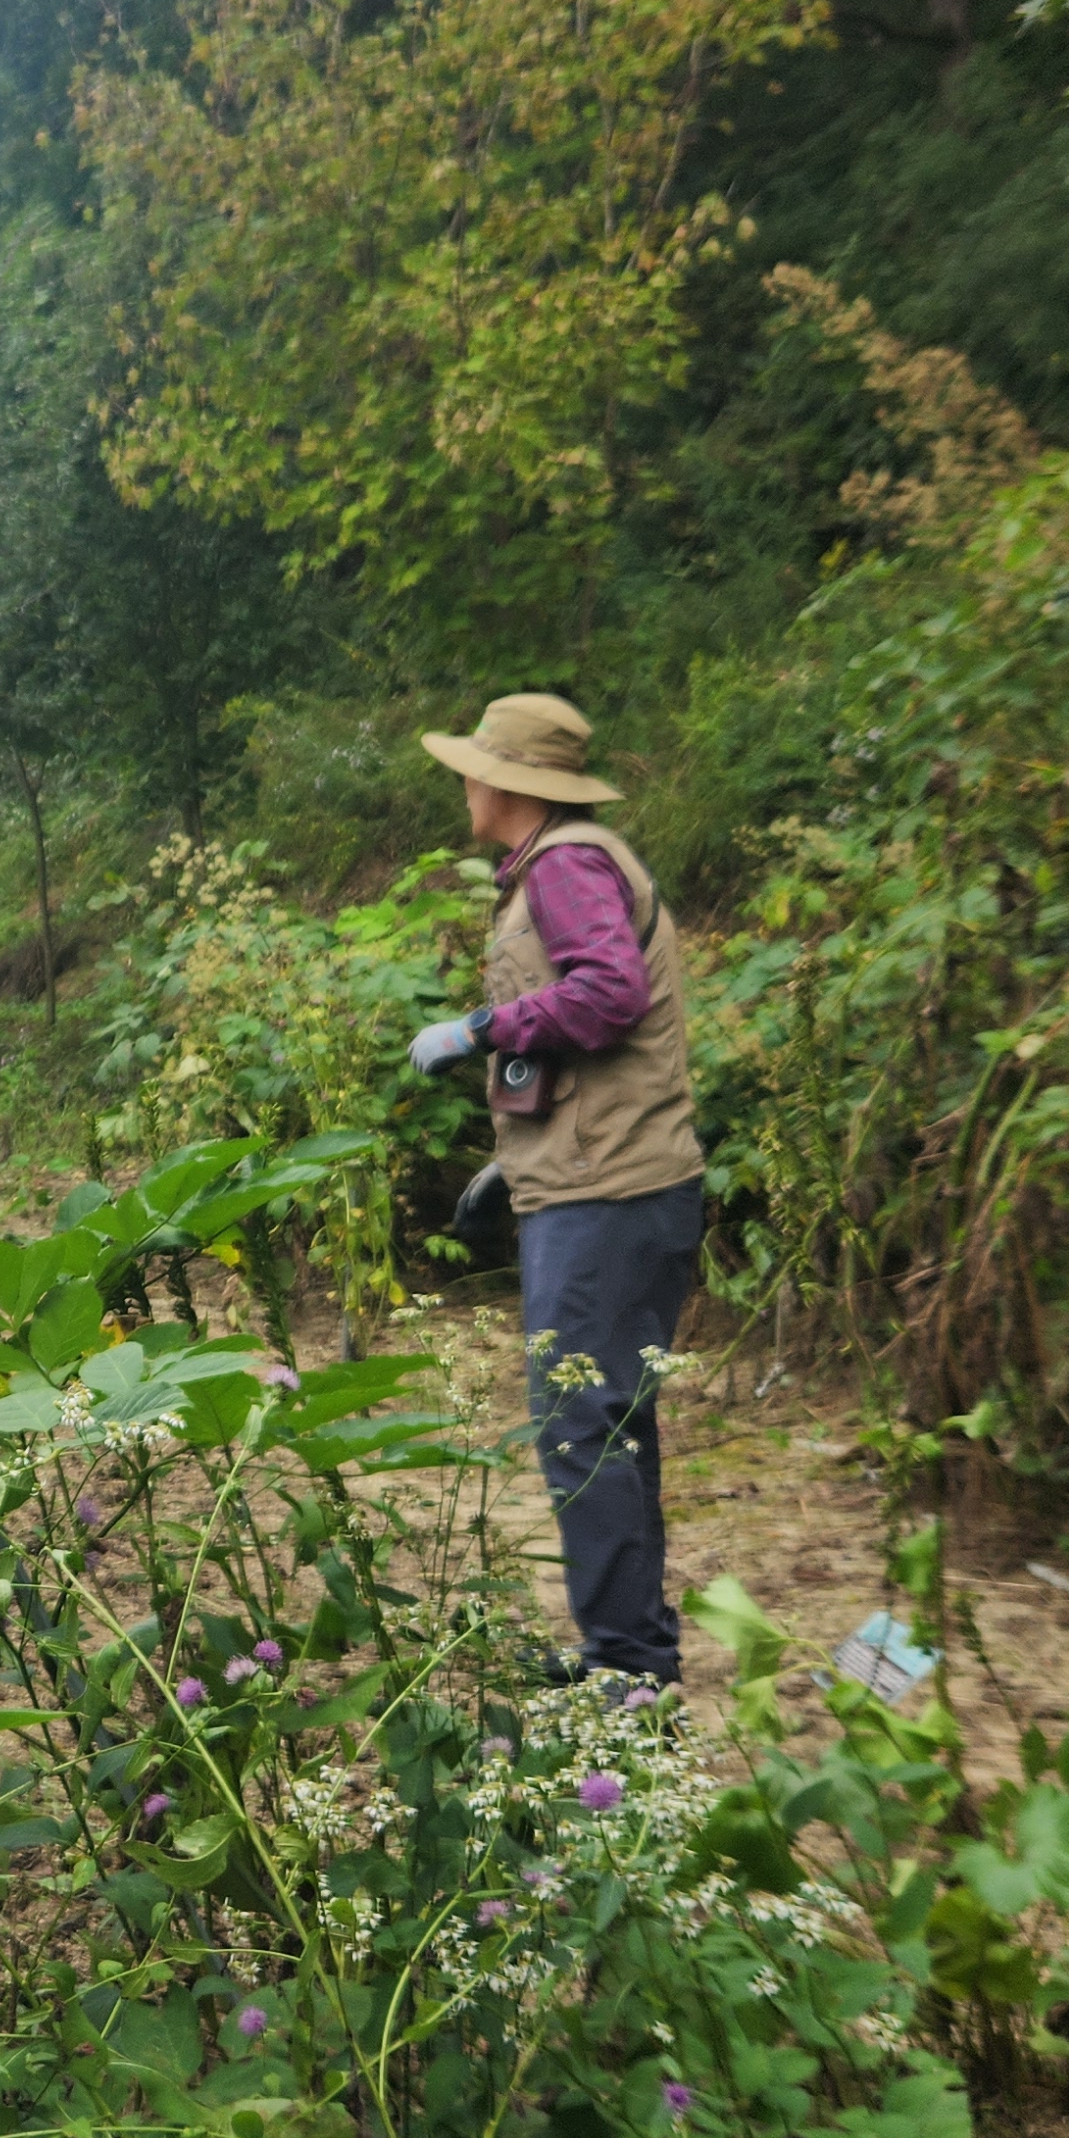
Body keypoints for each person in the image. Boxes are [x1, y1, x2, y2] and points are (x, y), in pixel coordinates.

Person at [409, 694, 706, 1686]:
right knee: (606, 1422)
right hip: (603, 1178)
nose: (465, 781)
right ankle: (630, 1656)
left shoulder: (567, 866)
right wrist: (520, 1157)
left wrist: (480, 1029)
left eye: (474, 767)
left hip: (608, 1192)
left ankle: (626, 1670)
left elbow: (609, 993)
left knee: (584, 1424)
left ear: (508, 783)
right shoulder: (564, 863)